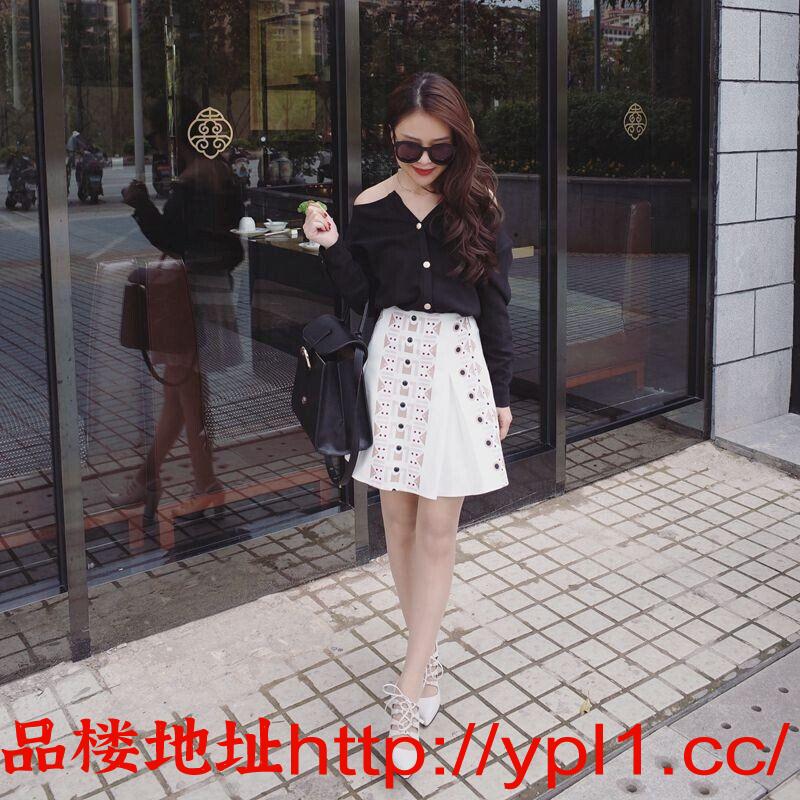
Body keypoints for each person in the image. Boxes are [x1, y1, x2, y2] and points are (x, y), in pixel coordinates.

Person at [303, 72, 514, 772]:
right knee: (395, 519)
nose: (424, 160)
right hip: (393, 360)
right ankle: (426, 657)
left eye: (439, 149)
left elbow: (497, 307)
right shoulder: (371, 206)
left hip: (456, 366)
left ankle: (409, 683)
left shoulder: (479, 204)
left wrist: (502, 393)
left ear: (459, 143)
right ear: (390, 140)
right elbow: (359, 294)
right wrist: (331, 243)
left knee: (437, 526)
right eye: (408, 147)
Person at [110, 96, 245, 514]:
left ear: (179, 139)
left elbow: (172, 238)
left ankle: (203, 482)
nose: (160, 145)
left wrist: (140, 204)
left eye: (162, 137)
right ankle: (150, 478)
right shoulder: (225, 177)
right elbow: (229, 242)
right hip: (211, 290)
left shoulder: (190, 182)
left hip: (188, 295)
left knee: (188, 395)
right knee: (179, 395)